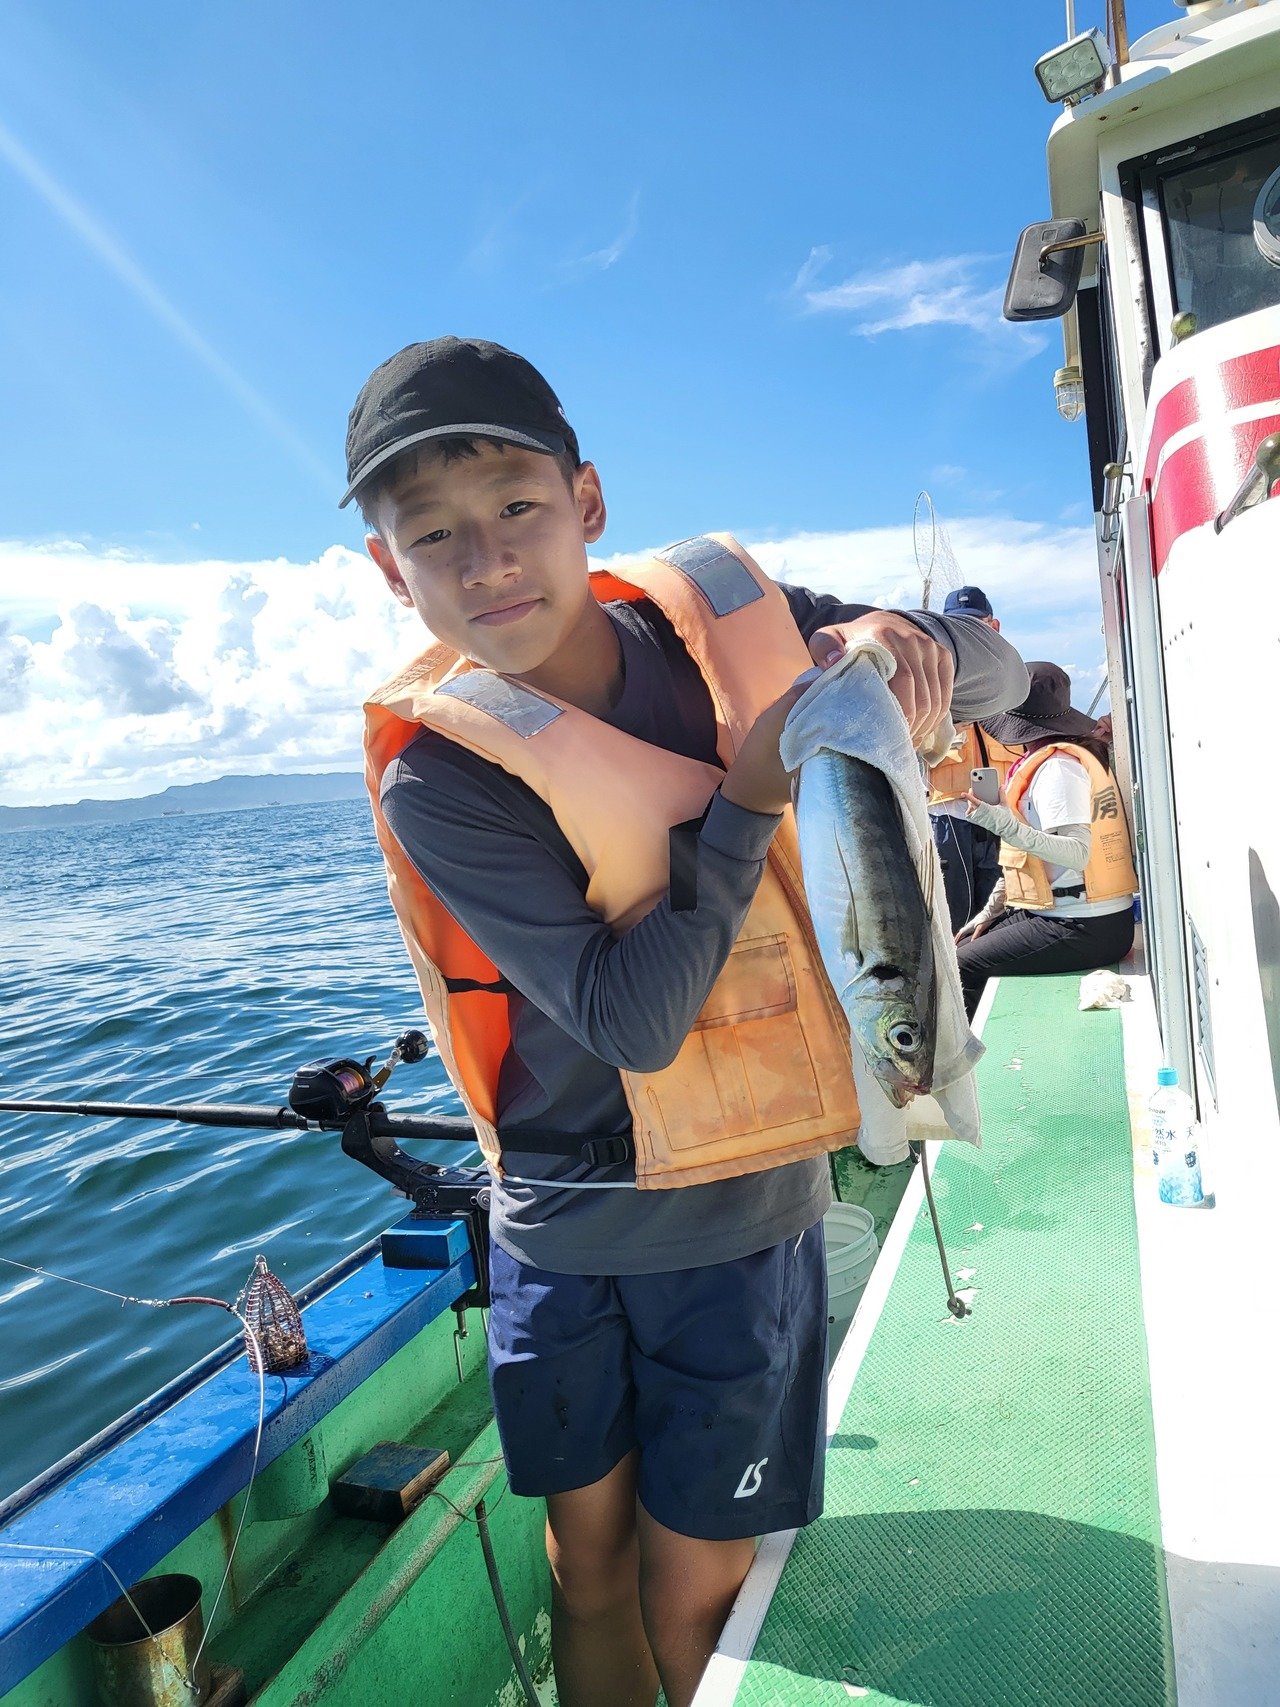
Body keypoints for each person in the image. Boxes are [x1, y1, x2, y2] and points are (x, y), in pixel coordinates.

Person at [345, 336, 1029, 1707]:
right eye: (435, 535)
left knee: (693, 1578)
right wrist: (752, 797)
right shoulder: (444, 776)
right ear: (388, 569)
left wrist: (921, 641)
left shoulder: (744, 618)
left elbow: (1009, 680)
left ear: (588, 501)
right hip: (559, 1220)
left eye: (516, 509)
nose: (486, 561)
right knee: (584, 1561)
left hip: (736, 1215)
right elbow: (630, 1017)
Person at [955, 661, 1137, 1018]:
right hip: (1068, 915)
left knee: (960, 967)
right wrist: (989, 913)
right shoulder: (1052, 760)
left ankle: (971, 1067)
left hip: (1085, 925)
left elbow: (1077, 854)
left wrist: (1005, 825)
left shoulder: (1058, 770)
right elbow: (1025, 859)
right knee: (960, 945)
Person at [927, 587, 1023, 933]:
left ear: (993, 626)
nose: (967, 637)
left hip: (1004, 817)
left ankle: (993, 974)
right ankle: (962, 984)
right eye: (957, 628)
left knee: (1004, 909)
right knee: (954, 913)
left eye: (976, 626)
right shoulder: (928, 687)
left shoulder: (1017, 684)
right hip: (951, 819)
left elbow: (1050, 721)